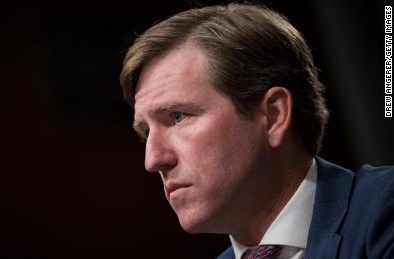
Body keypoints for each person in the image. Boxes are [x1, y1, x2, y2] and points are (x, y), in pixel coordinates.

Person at [119, 3, 394, 258]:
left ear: (273, 115)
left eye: (178, 117)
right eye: (145, 132)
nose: (153, 160)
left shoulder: (383, 210)